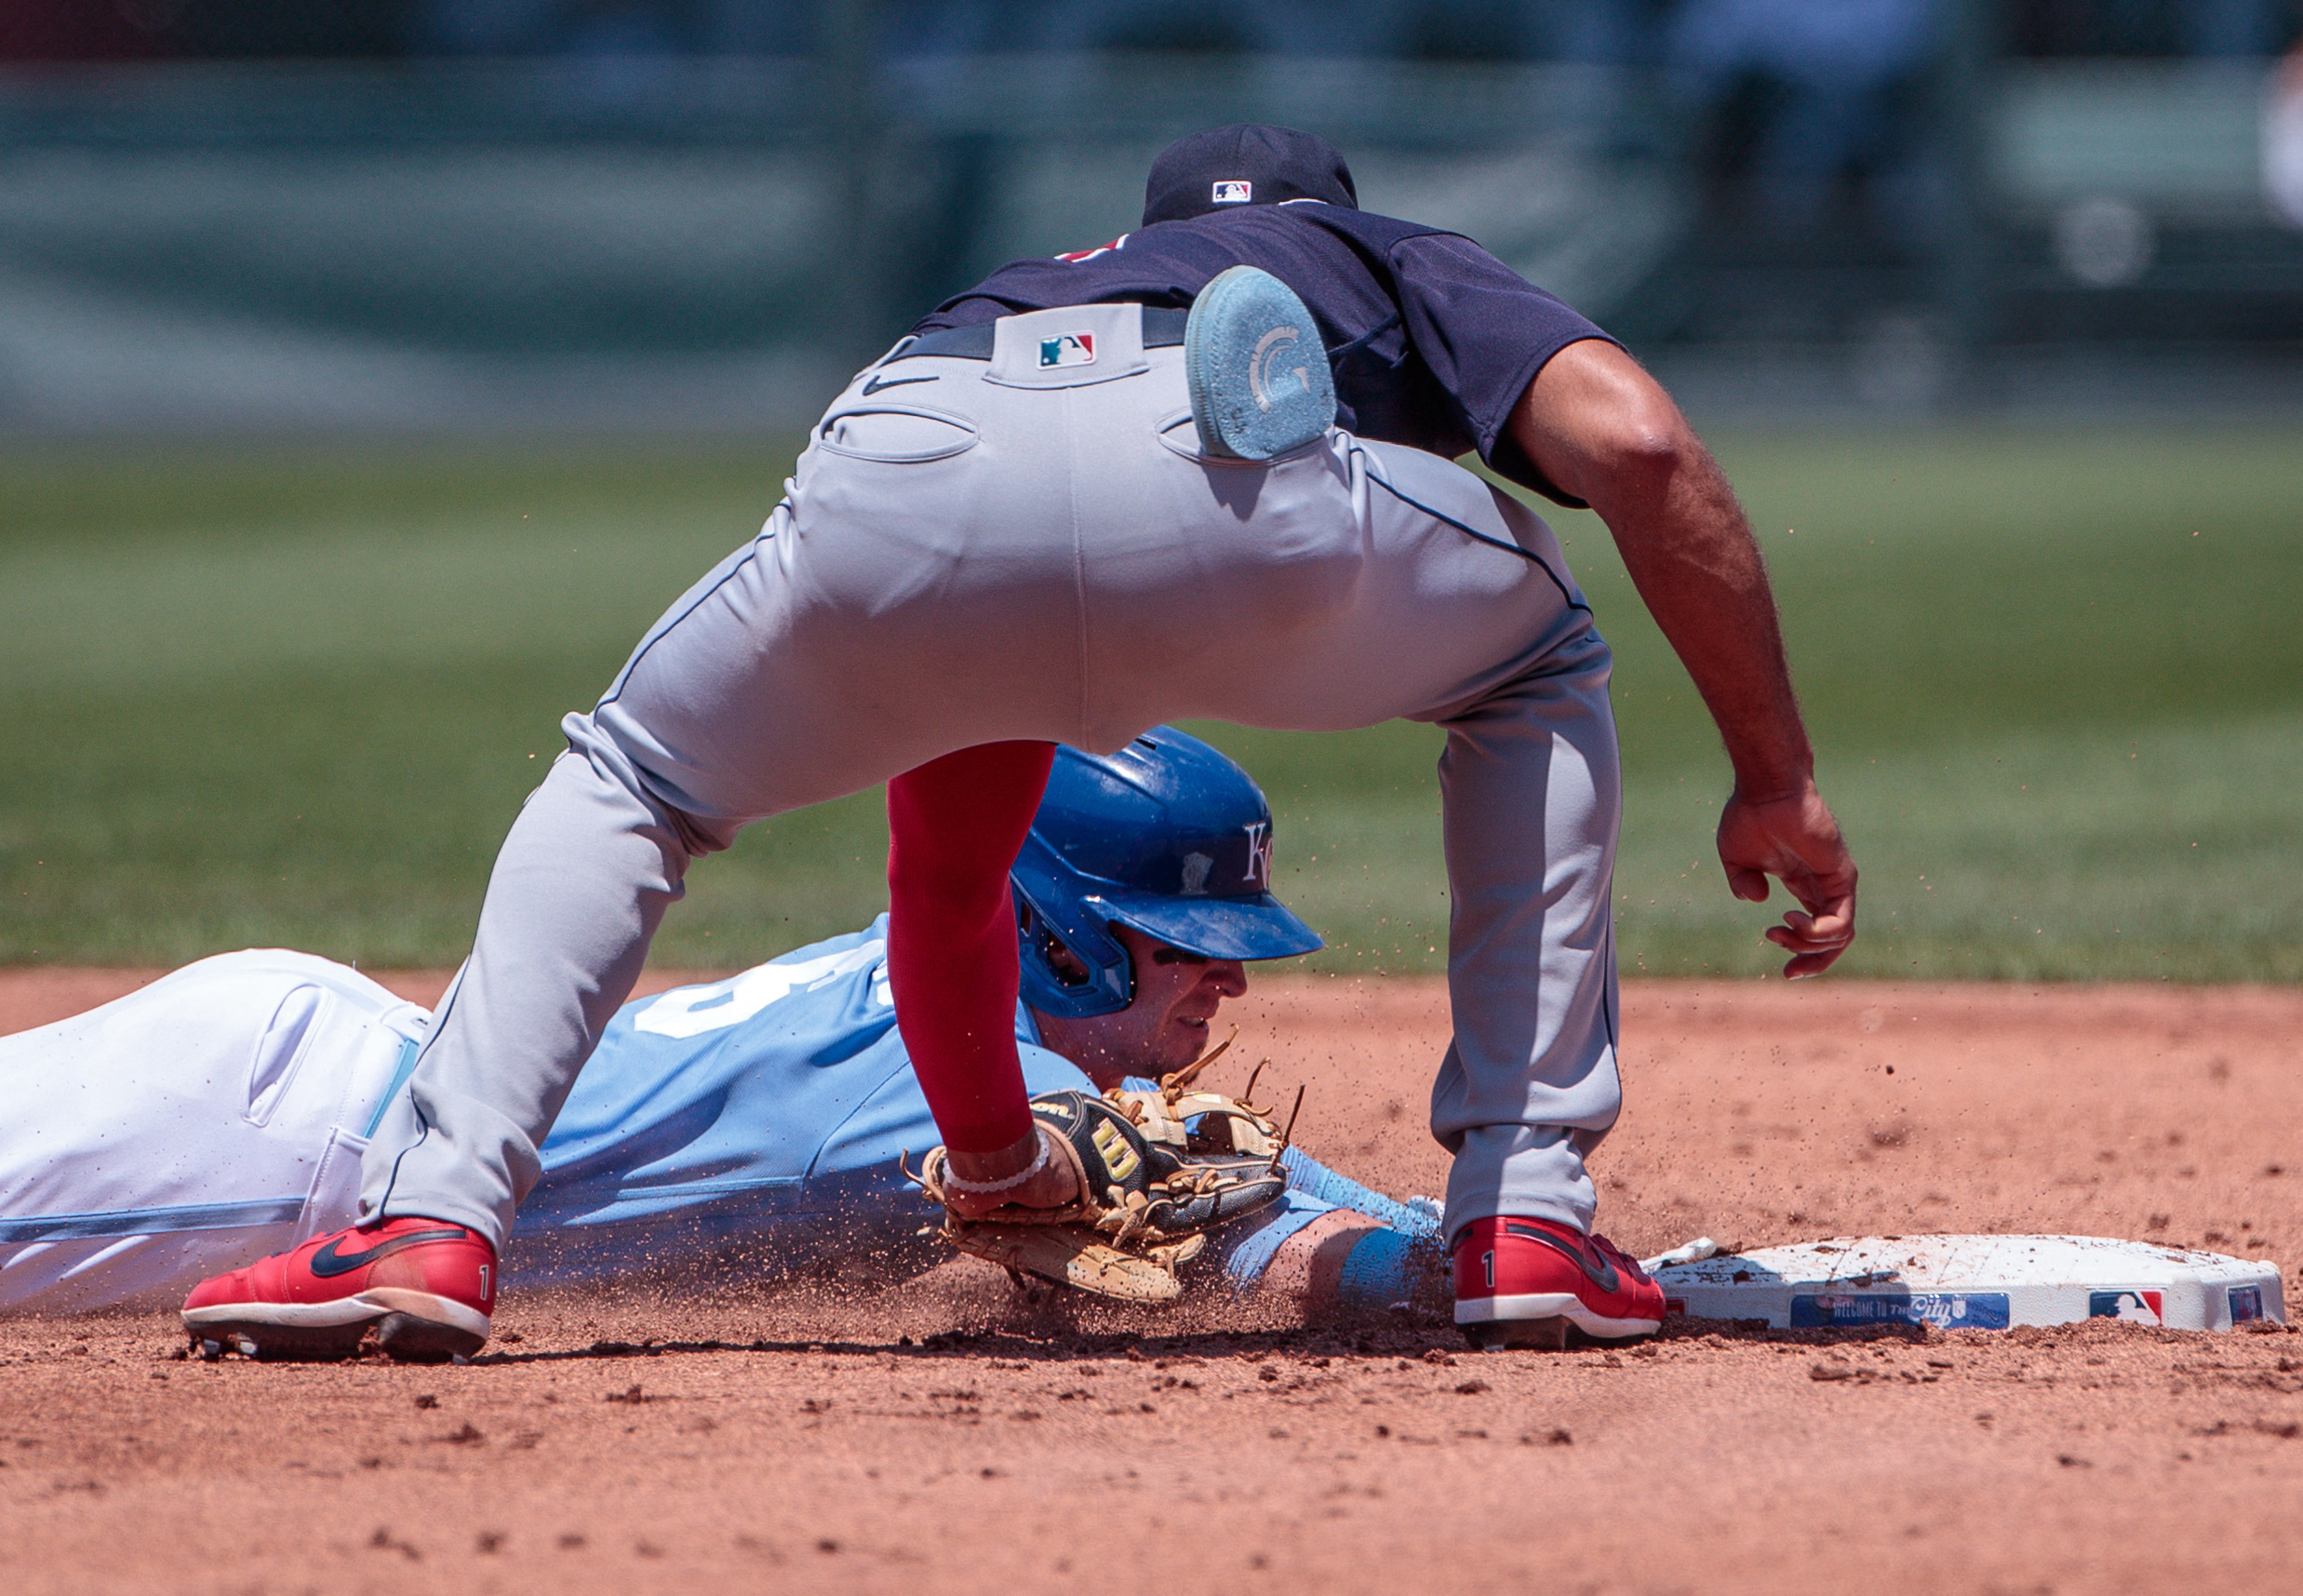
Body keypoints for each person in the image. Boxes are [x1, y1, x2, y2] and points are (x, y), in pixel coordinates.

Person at [184, 123, 1858, 1357]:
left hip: (915, 446)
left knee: (630, 778)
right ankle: (1526, 1223)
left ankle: (426, 1222)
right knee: (1532, 664)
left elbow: (949, 875)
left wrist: (998, 1164)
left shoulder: (1029, 282)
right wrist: (1773, 774)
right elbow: (1632, 443)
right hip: (1222, 437)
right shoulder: (1378, 254)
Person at [4, 731, 1436, 1342]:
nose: (1226, 990)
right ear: (1058, 926)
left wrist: (1492, 1238)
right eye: (1189, 949)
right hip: (276, 1150)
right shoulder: (929, 1081)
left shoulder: (957, 1028)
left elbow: (1234, 1182)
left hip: (320, 1069)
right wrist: (1441, 1276)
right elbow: (1275, 1249)